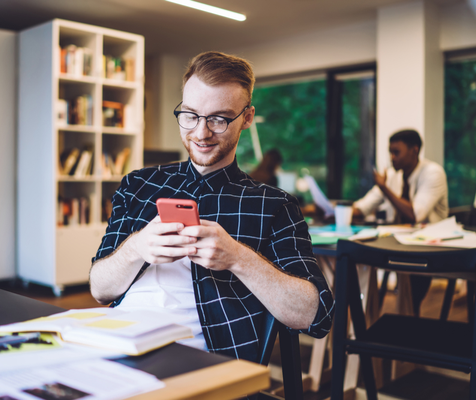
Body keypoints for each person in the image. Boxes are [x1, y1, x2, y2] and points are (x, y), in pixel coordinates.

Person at [89, 51, 334, 362]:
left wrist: (238, 258)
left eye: (219, 119)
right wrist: (137, 248)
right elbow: (100, 289)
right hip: (115, 342)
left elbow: (316, 317)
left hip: (198, 362)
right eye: (190, 115)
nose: (201, 132)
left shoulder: (275, 205)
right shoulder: (138, 184)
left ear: (247, 118)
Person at [353, 129, 449, 315]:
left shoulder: (433, 173)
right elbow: (364, 206)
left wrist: (384, 187)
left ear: (414, 150)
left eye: (396, 152)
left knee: (412, 289)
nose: (392, 157)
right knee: (361, 257)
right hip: (398, 243)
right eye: (390, 152)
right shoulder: (392, 175)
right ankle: (365, 324)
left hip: (430, 247)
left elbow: (415, 214)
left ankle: (407, 325)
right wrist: (334, 209)